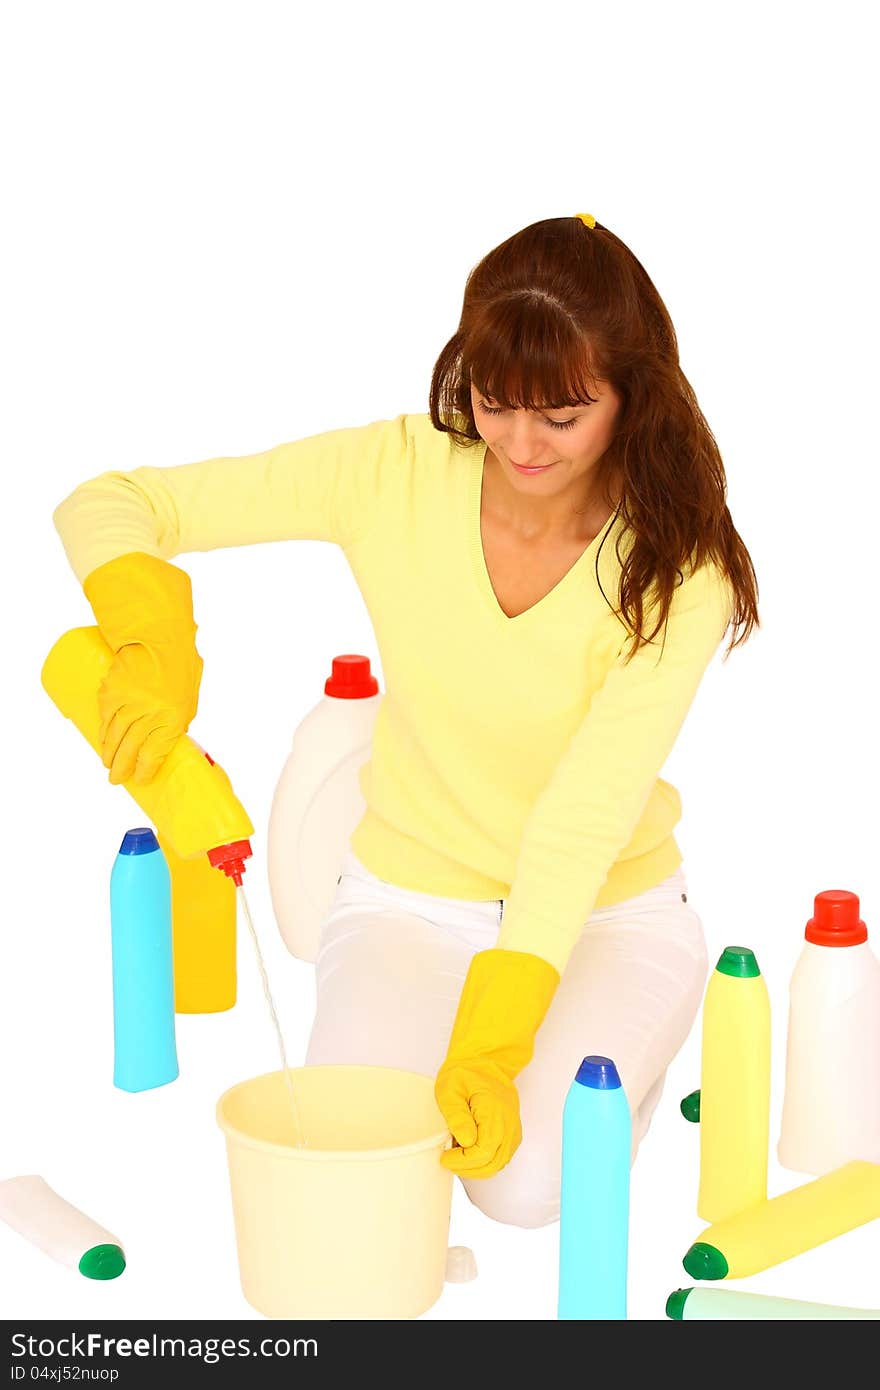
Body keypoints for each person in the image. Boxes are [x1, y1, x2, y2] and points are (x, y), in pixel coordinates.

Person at [53, 213, 759, 1229]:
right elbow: (112, 502)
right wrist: (147, 641)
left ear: (629, 399)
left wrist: (495, 1037)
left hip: (605, 913)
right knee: (368, 1169)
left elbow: (579, 818)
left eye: (561, 415)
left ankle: (634, 1049)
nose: (519, 443)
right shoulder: (391, 472)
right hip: (404, 901)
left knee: (517, 1191)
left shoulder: (675, 567)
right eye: (494, 401)